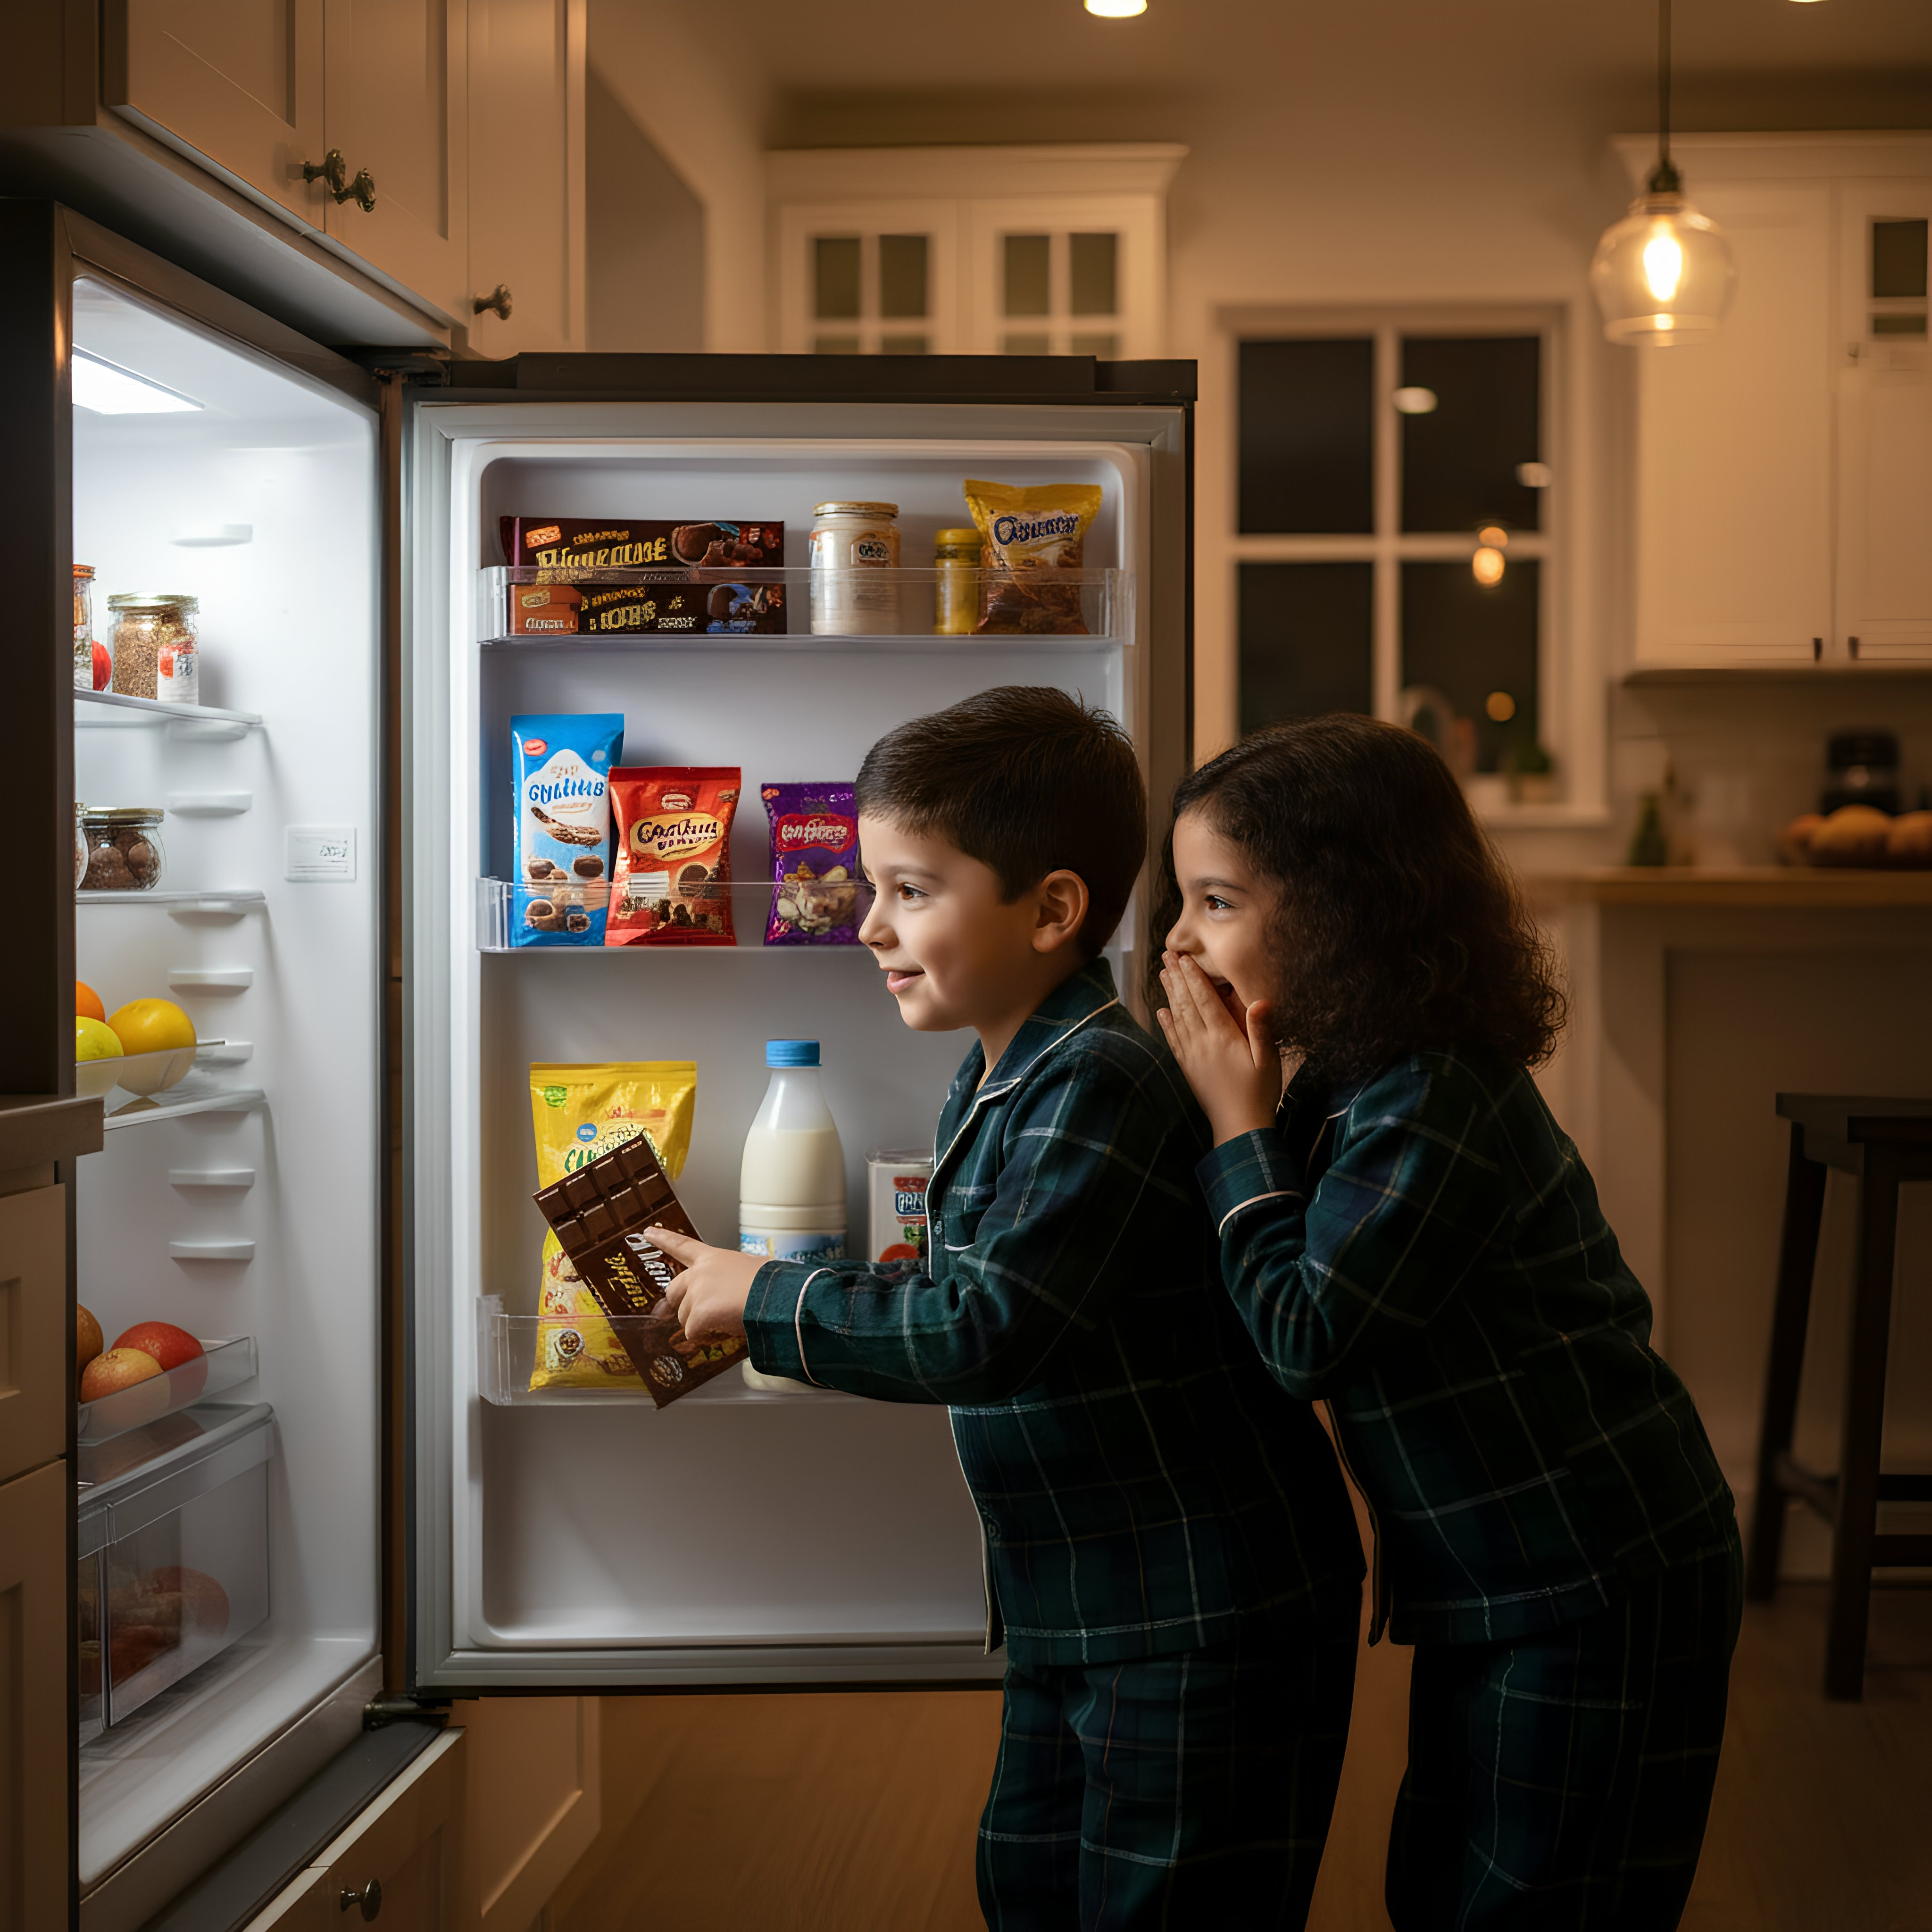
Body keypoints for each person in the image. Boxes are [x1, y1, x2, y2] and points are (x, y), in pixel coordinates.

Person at [654, 687, 1365, 1929]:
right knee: (1030, 1882)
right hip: (1082, 1597)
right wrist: (742, 1285)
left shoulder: (1095, 1078)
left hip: (1202, 1610)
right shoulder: (1005, 1072)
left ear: (1052, 911)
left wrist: (765, 1297)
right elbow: (949, 1288)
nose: (869, 926)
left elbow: (984, 1328)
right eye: (872, 888)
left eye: (912, 891)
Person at [1154, 714, 1740, 1932]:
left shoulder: (1431, 1097)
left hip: (1595, 1569)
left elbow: (1308, 1332)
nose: (1177, 939)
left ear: (1343, 912)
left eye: (1215, 901)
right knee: (1446, 1874)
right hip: (1504, 1573)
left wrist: (1234, 1130)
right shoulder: (1349, 1075)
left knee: (1542, 1894)